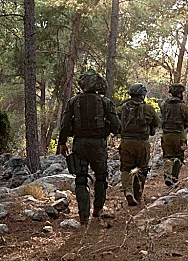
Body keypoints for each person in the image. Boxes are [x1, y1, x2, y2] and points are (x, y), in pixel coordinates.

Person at [58, 69, 120, 225]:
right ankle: (97, 210)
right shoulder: (104, 102)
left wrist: (62, 143)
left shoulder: (73, 102)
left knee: (80, 179)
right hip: (98, 144)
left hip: (79, 144)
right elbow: (117, 126)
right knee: (101, 177)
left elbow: (64, 125)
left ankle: (83, 216)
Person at [118, 83, 160, 206]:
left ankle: (128, 192)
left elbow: (114, 119)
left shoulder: (122, 108)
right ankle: (138, 194)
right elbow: (157, 123)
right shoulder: (148, 108)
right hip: (142, 143)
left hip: (126, 142)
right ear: (143, 95)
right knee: (141, 169)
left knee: (126, 169)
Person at [160, 83, 188, 188]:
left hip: (166, 135)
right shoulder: (182, 106)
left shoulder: (164, 105)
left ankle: (167, 175)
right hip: (178, 135)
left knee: (167, 156)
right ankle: (174, 178)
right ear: (179, 94)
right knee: (179, 156)